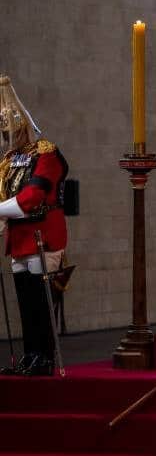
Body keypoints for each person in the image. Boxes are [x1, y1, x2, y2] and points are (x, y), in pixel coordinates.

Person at [0, 75, 69, 377]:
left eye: (12, 130)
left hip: (43, 234)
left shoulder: (46, 152)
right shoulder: (9, 159)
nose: (8, 137)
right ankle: (30, 356)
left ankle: (44, 358)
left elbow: (34, 194)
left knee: (41, 304)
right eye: (4, 132)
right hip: (18, 237)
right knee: (26, 304)